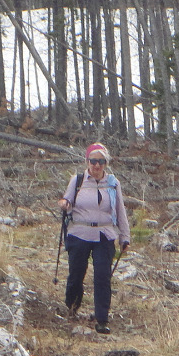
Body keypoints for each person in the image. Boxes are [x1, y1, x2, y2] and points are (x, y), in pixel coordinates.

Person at [58, 143, 129, 334]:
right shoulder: (78, 180)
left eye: (101, 161)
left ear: (106, 163)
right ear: (87, 161)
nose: (97, 165)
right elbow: (67, 200)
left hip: (105, 234)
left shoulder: (113, 183)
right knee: (76, 274)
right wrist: (64, 203)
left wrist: (125, 237)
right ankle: (72, 308)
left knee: (103, 277)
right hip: (79, 233)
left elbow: (120, 210)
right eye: (93, 161)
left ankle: (102, 319)